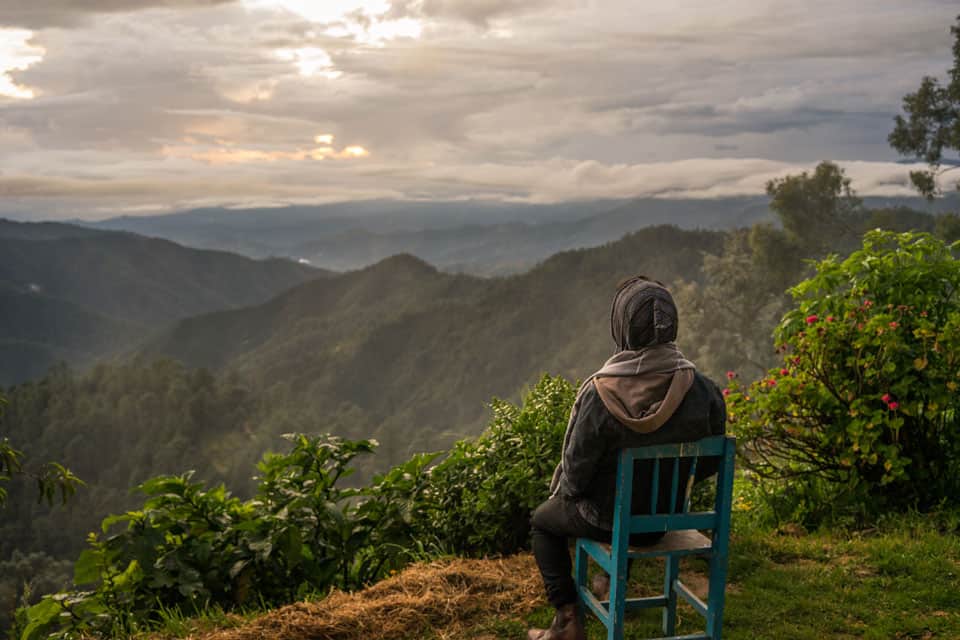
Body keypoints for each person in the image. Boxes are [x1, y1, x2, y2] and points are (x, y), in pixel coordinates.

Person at [526, 276, 727, 640]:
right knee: (633, 502)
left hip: (609, 521)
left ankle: (568, 622)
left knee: (543, 522)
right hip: (664, 518)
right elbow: (710, 464)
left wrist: (573, 493)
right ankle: (607, 581)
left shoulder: (600, 395)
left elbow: (573, 480)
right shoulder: (703, 390)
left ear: (622, 329)